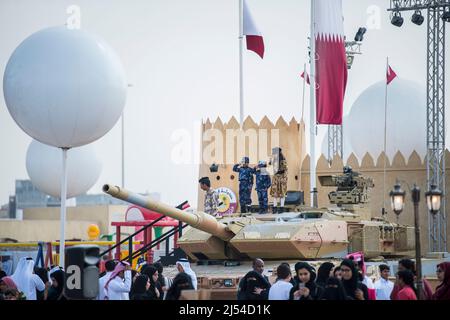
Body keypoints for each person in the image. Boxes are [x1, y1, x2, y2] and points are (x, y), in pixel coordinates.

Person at [269, 147, 288, 213]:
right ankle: (275, 208)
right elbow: (269, 164)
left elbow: (285, 169)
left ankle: (281, 208)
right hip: (276, 178)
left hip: (282, 178)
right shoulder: (274, 159)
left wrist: (284, 179)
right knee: (275, 193)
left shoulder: (283, 159)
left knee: (282, 193)